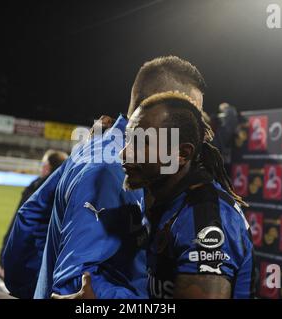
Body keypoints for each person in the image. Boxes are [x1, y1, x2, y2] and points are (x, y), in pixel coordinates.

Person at [3, 56, 212, 299]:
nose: (197, 128)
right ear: (156, 104)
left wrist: (35, 290)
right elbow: (78, 286)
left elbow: (31, 216)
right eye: (188, 113)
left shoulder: (94, 147)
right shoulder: (119, 169)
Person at [55, 92, 254, 299]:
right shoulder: (169, 202)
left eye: (141, 143)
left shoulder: (204, 219)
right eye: (128, 140)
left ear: (182, 154)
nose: (124, 153)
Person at [0, 149, 67, 284]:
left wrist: (4, 259)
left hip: (31, 258)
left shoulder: (37, 189)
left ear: (47, 167)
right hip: (53, 262)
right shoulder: (66, 190)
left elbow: (19, 224)